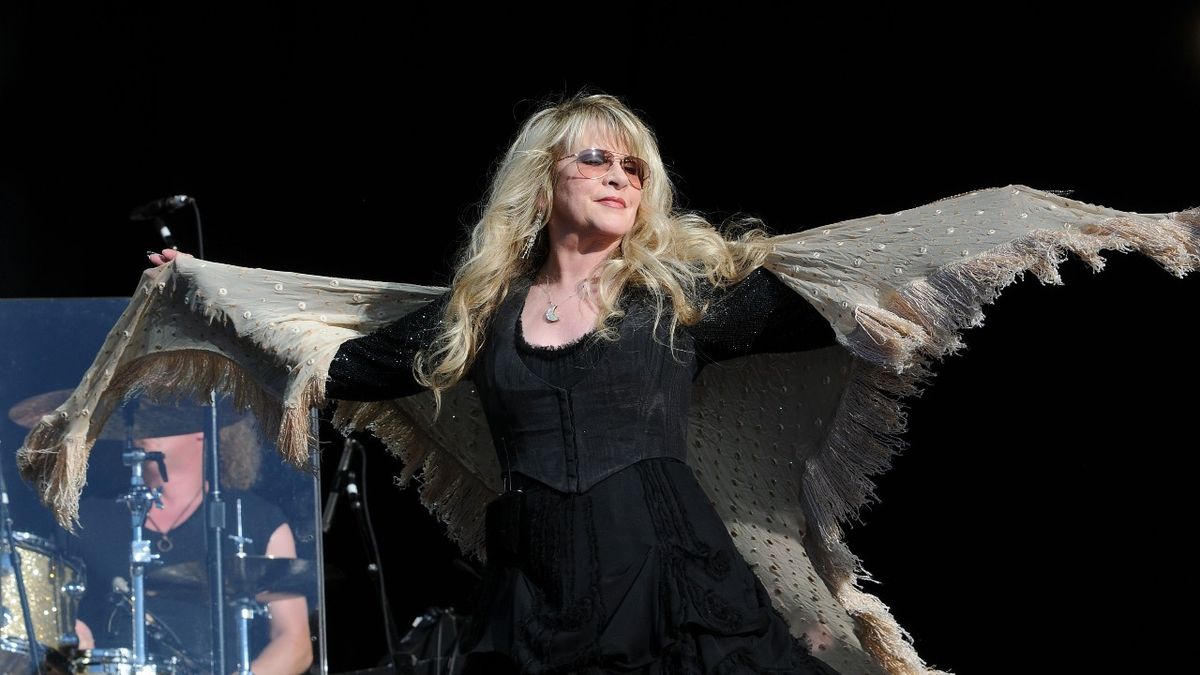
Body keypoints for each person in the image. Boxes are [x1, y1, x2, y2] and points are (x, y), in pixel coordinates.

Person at [48, 91, 1193, 675]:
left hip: (668, 581)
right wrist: (192, 289)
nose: (618, 173)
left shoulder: (683, 299)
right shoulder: (472, 318)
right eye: (593, 155)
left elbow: (857, 278)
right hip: (532, 594)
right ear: (540, 180)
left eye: (633, 162)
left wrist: (1036, 219)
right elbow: (331, 364)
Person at [70, 399, 314, 675]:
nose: (143, 424)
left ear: (203, 428)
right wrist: (69, 636)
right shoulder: (86, 519)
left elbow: (294, 642)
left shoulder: (256, 520)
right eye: (141, 414)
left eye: (161, 413)